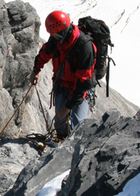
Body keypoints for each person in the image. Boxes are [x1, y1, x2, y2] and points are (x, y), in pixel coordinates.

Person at [30, 10, 96, 138]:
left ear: (60, 32)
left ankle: (76, 151)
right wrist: (36, 71)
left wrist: (68, 106)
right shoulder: (58, 38)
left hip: (79, 91)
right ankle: (60, 147)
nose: (52, 36)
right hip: (62, 85)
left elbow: (83, 81)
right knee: (60, 123)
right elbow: (45, 53)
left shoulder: (85, 47)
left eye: (53, 34)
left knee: (78, 125)